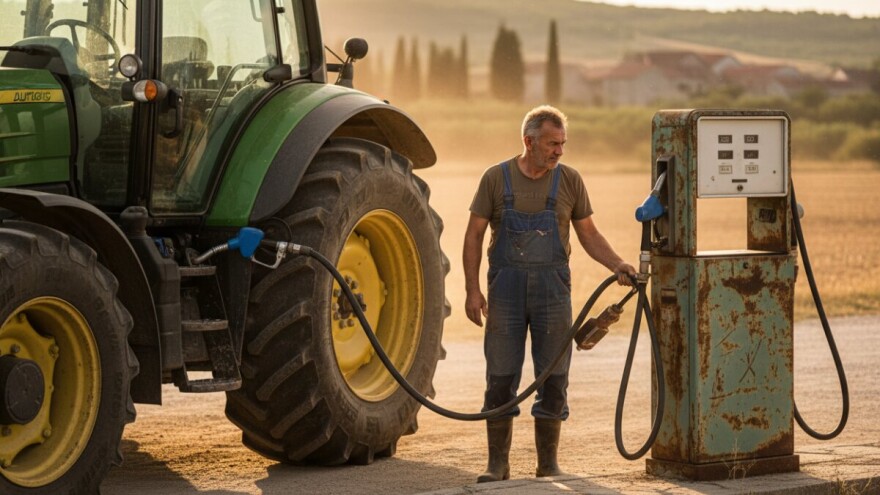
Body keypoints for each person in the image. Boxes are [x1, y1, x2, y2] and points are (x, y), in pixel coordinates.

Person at [462, 105, 636, 482]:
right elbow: (474, 234)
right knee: (500, 377)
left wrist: (617, 264)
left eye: (562, 144)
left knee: (554, 377)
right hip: (504, 293)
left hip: (553, 292)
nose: (559, 151)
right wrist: (472, 290)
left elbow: (588, 234)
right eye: (552, 143)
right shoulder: (496, 178)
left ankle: (548, 464)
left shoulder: (570, 181)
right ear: (529, 141)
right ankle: (497, 465)